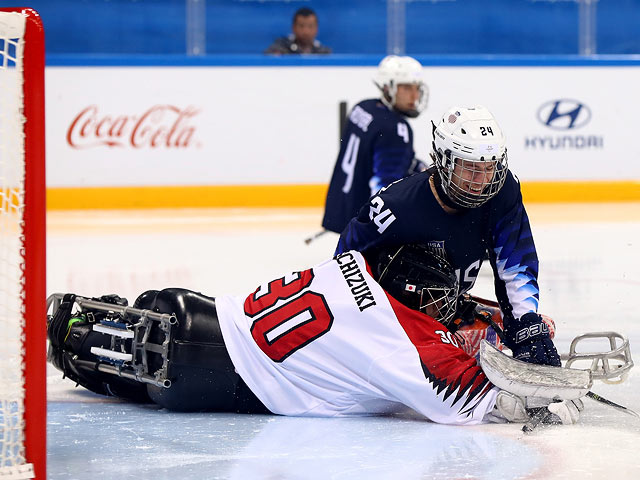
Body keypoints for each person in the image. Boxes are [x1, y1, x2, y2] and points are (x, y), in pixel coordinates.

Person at [46, 244, 582, 426]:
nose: (445, 306)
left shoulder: (353, 265)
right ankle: (95, 356)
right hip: (218, 380)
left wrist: (485, 323)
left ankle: (84, 334)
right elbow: (479, 403)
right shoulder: (400, 346)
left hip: (198, 311)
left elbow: (419, 315)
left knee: (136, 358)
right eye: (436, 295)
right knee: (143, 384)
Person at [335, 105, 562, 368]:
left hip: (449, 310)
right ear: (443, 159)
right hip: (392, 321)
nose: (481, 180)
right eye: (469, 168)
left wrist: (525, 324)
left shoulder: (503, 192)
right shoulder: (394, 207)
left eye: (489, 167)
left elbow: (515, 265)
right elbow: (342, 267)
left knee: (541, 327)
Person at [321, 55, 428, 235]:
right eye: (406, 87)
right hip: (363, 224)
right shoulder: (395, 128)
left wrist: (415, 165)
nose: (414, 95)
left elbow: (372, 155)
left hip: (340, 208)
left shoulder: (363, 108)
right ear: (387, 87)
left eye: (417, 88)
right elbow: (385, 190)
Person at [264, 7, 331, 55]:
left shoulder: (323, 52)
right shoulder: (281, 46)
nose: (306, 31)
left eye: (310, 26)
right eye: (301, 26)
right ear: (293, 27)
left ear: (316, 28)